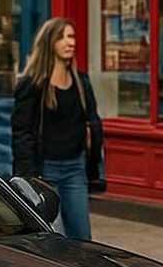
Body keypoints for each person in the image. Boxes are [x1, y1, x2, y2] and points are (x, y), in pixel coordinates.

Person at [12, 17, 103, 240]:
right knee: (54, 237)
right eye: (62, 37)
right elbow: (22, 132)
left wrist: (93, 150)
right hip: (45, 171)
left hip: (74, 169)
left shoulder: (81, 81)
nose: (69, 42)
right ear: (49, 42)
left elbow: (92, 120)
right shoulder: (33, 84)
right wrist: (29, 175)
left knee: (82, 237)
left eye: (71, 37)